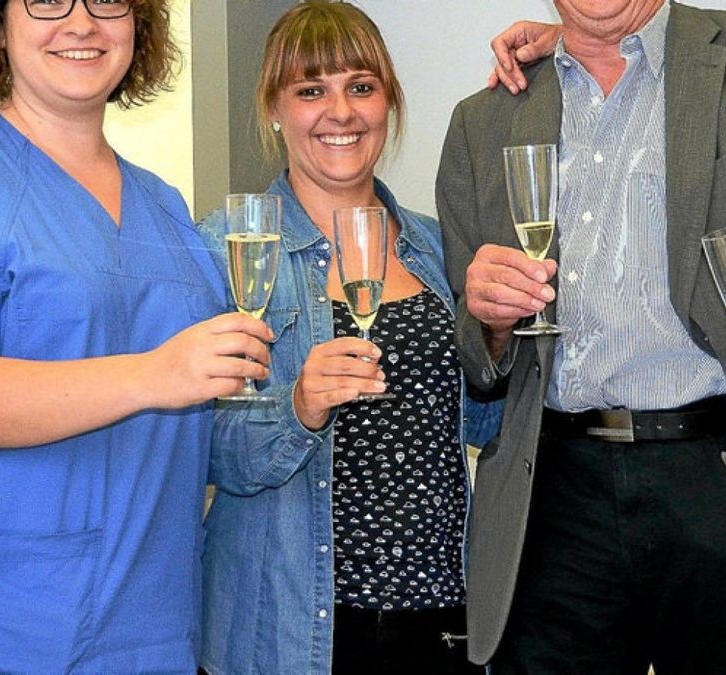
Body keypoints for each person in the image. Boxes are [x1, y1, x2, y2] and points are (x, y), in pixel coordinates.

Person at [437, 1, 726, 672]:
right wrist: (490, 320)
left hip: (725, 475)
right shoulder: (485, 119)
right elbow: (481, 362)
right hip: (557, 497)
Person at [0, 0, 272, 671]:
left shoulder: (166, 205)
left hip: (157, 622)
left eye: (108, 0)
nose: (80, 22)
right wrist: (153, 374)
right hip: (11, 625)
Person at [198, 3, 502, 673]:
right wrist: (298, 407)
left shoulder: (435, 245)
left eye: (360, 86)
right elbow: (205, 449)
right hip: (291, 628)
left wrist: (500, 339)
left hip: (442, 613)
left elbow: (481, 423)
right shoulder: (226, 247)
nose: (340, 111)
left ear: (387, 102)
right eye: (311, 90)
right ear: (275, 108)